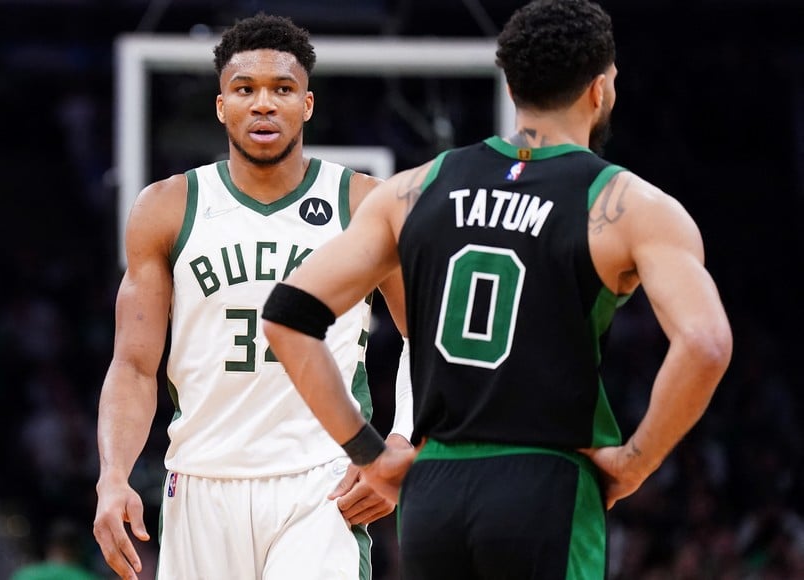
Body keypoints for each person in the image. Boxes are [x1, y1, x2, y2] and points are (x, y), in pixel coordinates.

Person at [261, 0, 734, 578]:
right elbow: (706, 343)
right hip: (546, 483)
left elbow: (286, 316)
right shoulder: (631, 204)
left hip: (434, 492)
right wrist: (636, 461)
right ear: (600, 89)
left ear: (510, 86)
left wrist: (370, 454)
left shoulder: (413, 189)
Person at [92, 12, 413, 580]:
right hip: (201, 480)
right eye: (245, 90)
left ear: (306, 105)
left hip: (321, 479)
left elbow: (427, 336)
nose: (263, 104)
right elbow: (135, 365)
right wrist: (113, 474)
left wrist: (401, 441)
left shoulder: (366, 202)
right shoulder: (167, 207)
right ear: (222, 107)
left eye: (282, 89)